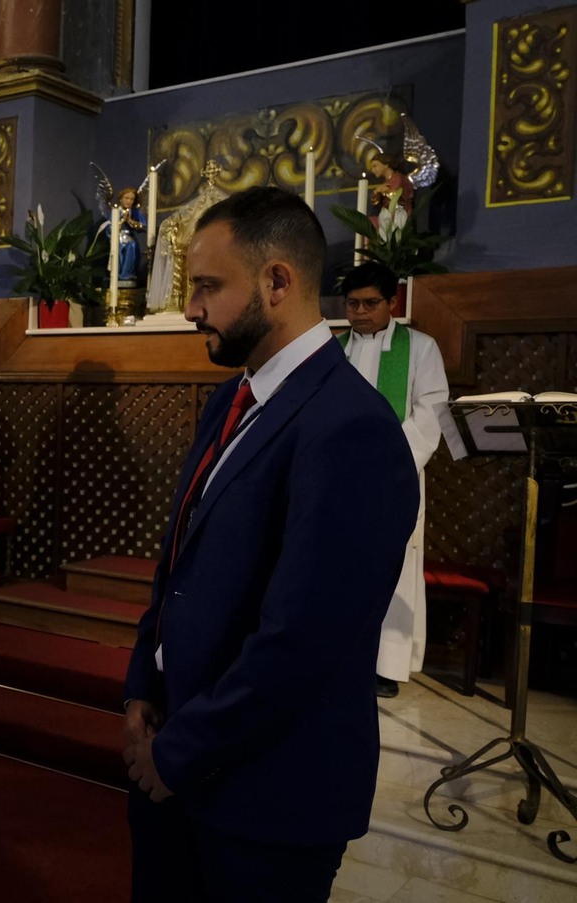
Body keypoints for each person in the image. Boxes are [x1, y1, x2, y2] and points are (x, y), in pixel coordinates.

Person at [122, 187, 418, 900]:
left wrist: (179, 754)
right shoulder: (234, 398)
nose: (191, 308)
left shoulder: (352, 427)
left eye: (206, 288)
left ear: (277, 281)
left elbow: (301, 642)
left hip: (265, 797)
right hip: (179, 758)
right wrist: (143, 683)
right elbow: (178, 563)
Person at [340, 262, 454, 698]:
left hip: (394, 476)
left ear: (393, 303)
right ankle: (341, 654)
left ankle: (386, 663)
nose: (360, 312)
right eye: (353, 303)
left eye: (371, 303)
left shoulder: (420, 348)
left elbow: (432, 411)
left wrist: (385, 457)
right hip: (339, 478)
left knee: (395, 565)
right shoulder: (334, 350)